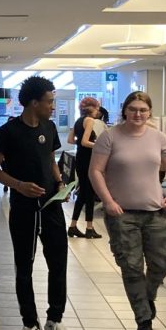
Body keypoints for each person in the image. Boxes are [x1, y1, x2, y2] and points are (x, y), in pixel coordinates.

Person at [89, 91, 166, 330]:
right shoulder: (110, 137)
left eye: (143, 109)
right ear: (125, 110)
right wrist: (108, 201)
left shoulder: (158, 138)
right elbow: (95, 171)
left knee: (162, 260)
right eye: (133, 109)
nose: (138, 114)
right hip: (122, 214)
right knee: (131, 267)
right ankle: (143, 319)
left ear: (149, 111)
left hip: (155, 212)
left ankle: (146, 298)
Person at [0, 75, 74, 330]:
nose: (53, 106)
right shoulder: (8, 132)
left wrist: (60, 182)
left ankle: (55, 319)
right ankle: (29, 323)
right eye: (49, 101)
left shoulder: (49, 127)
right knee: (24, 265)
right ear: (34, 102)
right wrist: (18, 185)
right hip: (24, 207)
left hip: (51, 206)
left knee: (58, 262)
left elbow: (51, 160)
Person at [68, 96, 106, 239]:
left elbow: (71, 140)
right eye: (97, 109)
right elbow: (84, 142)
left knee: (84, 193)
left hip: (80, 160)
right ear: (93, 108)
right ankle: (89, 228)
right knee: (88, 194)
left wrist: (84, 142)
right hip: (89, 160)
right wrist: (98, 145)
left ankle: (73, 226)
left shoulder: (78, 121)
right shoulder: (90, 120)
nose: (98, 112)